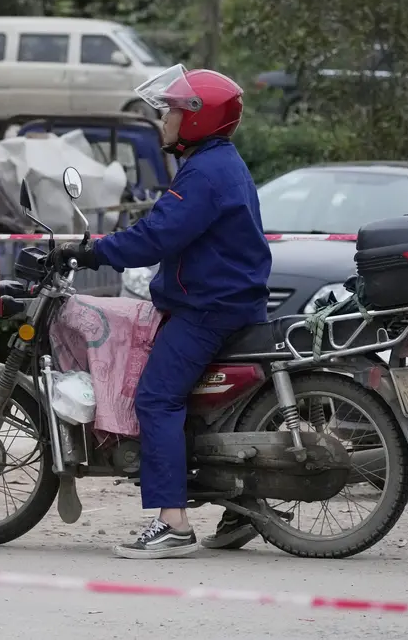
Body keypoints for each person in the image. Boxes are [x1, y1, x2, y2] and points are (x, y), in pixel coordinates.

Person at [55, 68, 272, 559]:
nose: (165, 119)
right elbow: (163, 226)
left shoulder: (206, 173)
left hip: (208, 308)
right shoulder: (216, 163)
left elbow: (156, 237)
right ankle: (241, 506)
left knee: (156, 399)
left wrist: (89, 252)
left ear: (199, 118)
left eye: (173, 110)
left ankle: (172, 523)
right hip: (225, 300)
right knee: (202, 405)